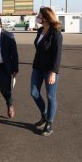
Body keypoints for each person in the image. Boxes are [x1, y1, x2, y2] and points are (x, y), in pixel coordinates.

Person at [30, 7, 63, 136]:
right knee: (34, 93)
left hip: (50, 70)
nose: (37, 17)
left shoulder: (56, 33)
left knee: (51, 96)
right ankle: (44, 115)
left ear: (45, 17)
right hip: (37, 67)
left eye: (39, 15)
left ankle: (49, 123)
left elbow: (57, 55)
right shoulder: (40, 30)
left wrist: (53, 72)